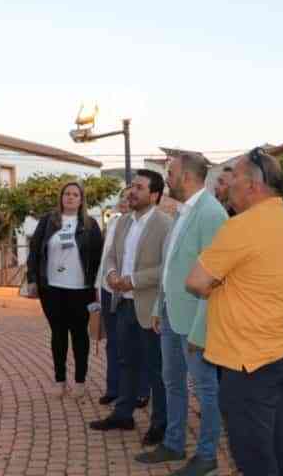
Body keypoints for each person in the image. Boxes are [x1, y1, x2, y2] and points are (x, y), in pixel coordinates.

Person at [186, 148, 283, 476]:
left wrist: (216, 287)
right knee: (277, 444)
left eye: (233, 177)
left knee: (253, 456)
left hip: (248, 361)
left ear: (252, 185)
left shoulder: (243, 226)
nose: (226, 185)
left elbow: (196, 280)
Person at [135, 153, 227, 475]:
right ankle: (174, 444)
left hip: (196, 322)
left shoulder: (211, 214)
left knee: (205, 389)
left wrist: (201, 330)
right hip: (172, 317)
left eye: (170, 172)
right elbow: (172, 267)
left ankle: (206, 455)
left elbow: (215, 277)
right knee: (172, 382)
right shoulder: (181, 212)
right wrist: (160, 307)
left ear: (187, 176)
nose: (167, 178)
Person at [89, 169, 172, 447]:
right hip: (122, 304)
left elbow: (167, 267)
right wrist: (112, 275)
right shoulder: (122, 221)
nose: (131, 191)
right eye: (131, 186)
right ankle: (123, 415)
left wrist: (133, 280)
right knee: (125, 361)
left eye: (139, 187)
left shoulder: (165, 224)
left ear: (155, 194)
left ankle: (161, 424)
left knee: (155, 368)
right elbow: (111, 255)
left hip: (150, 307)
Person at [26, 181, 104, 398]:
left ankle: (80, 381)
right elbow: (34, 252)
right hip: (51, 288)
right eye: (66, 194)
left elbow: (98, 258)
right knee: (58, 335)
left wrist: (97, 286)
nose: (70, 197)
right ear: (61, 198)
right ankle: (60, 381)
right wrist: (32, 279)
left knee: (79, 335)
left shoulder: (90, 225)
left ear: (81, 200)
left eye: (75, 194)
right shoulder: (48, 222)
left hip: (81, 289)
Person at [95, 187, 151, 407]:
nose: (127, 200)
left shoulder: (143, 225)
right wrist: (99, 285)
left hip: (134, 292)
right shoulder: (114, 224)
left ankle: (142, 390)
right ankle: (114, 388)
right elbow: (106, 257)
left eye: (131, 197)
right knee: (114, 343)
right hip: (109, 289)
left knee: (140, 345)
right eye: (123, 197)